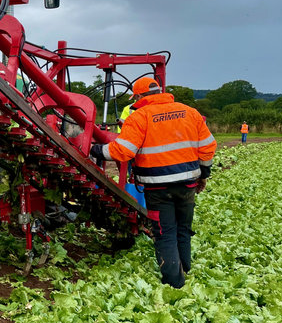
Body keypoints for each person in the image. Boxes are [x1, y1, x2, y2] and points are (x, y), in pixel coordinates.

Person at [90, 77, 216, 288]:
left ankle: (174, 284)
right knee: (183, 228)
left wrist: (95, 149)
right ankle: (186, 270)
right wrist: (203, 175)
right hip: (187, 184)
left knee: (165, 233)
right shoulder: (190, 112)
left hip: (157, 188)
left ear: (139, 96)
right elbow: (208, 147)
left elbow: (123, 151)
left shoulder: (140, 117)